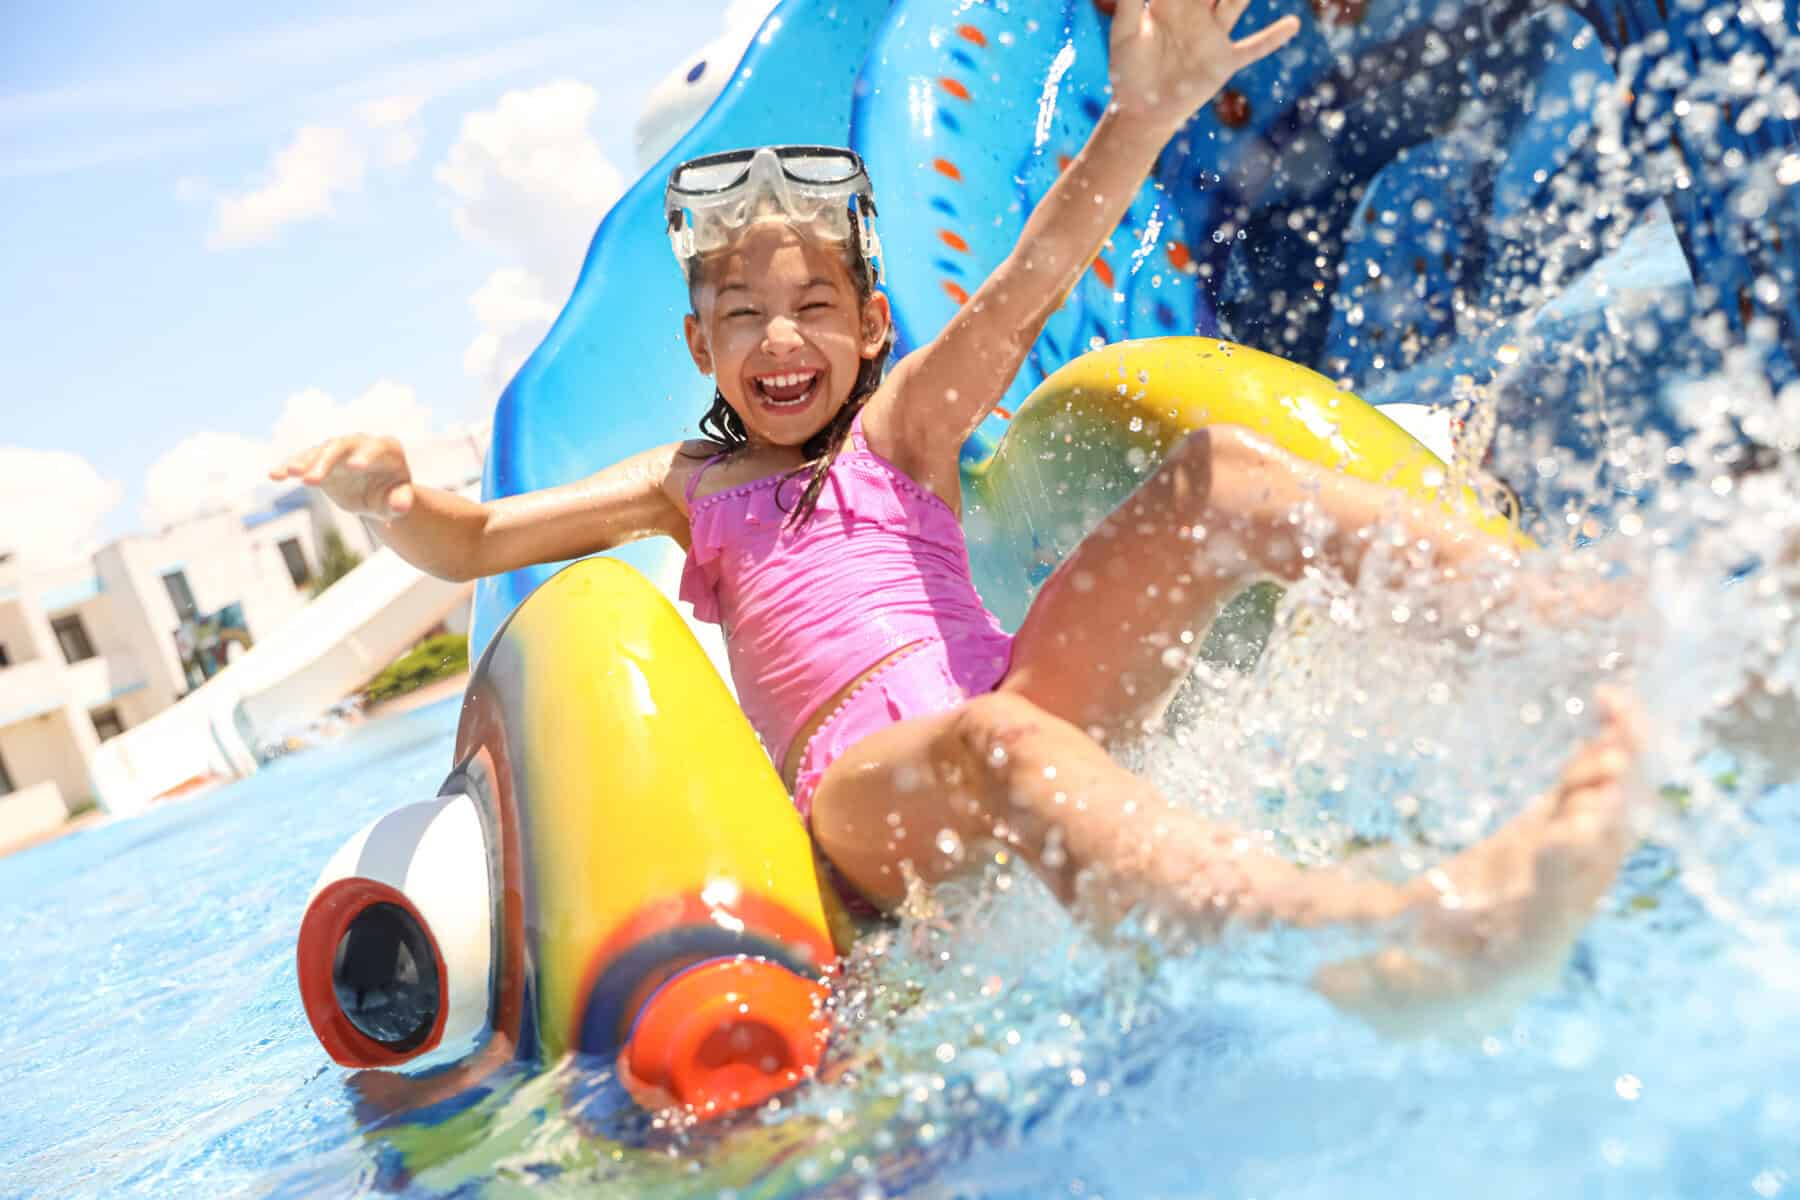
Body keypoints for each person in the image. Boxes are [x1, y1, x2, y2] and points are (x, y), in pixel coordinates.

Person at [273, 0, 1642, 1029]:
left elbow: (1043, 269)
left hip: (1018, 700)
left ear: (870, 323)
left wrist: (1144, 118)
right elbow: (470, 546)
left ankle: (1579, 629)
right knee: (1000, 743)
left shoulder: (910, 419)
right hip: (866, 808)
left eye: (814, 307)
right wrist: (390, 500)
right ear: (700, 347)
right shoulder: (685, 489)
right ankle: (1375, 939)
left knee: (1220, 476)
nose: (781, 341)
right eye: (743, 317)